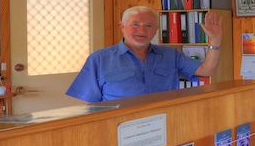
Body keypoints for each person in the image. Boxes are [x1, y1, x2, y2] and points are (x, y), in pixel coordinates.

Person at [66, 6, 223, 102]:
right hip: (120, 130)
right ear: (122, 26)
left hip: (163, 125)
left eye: (148, 25)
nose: (141, 30)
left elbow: (206, 71)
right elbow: (88, 103)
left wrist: (215, 40)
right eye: (135, 24)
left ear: (156, 30)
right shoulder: (99, 59)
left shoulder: (170, 55)